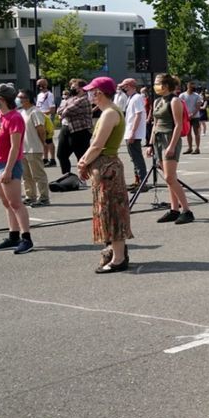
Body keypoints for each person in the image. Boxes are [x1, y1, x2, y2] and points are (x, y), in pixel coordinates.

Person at [77, 77, 133, 274]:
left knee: (112, 212)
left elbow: (98, 145)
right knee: (106, 210)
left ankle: (118, 258)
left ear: (100, 93)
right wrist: (85, 161)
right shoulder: (106, 112)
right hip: (103, 166)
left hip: (107, 167)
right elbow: (95, 145)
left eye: (92, 91)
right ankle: (116, 252)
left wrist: (83, 162)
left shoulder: (110, 113)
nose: (89, 94)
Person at [0, 84, 34, 254]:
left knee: (15, 203)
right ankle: (13, 236)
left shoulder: (15, 118)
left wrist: (7, 169)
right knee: (6, 203)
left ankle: (26, 238)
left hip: (8, 164)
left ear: (2, 98)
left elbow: (15, 147)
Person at [148, 73, 195, 225]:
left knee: (170, 177)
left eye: (157, 83)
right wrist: (150, 144)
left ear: (166, 85)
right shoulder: (156, 102)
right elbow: (155, 124)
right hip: (159, 140)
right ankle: (174, 210)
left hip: (170, 139)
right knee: (169, 179)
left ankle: (187, 210)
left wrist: (172, 145)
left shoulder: (175, 101)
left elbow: (178, 125)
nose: (155, 86)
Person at [16, 90, 50, 207]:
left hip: (34, 148)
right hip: (23, 148)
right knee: (26, 176)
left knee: (38, 175)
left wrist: (43, 143)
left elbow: (40, 129)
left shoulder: (35, 112)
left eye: (20, 97)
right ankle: (30, 196)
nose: (18, 99)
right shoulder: (21, 112)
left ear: (27, 98)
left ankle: (44, 197)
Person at [56, 78, 93, 178]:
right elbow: (59, 110)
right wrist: (64, 107)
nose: (71, 89)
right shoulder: (71, 98)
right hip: (67, 128)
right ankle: (67, 177)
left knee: (81, 157)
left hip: (80, 131)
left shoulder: (84, 100)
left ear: (81, 88)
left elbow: (66, 111)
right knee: (61, 155)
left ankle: (84, 178)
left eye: (73, 87)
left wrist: (64, 107)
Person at [119, 79, 148, 192]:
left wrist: (133, 132)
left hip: (133, 133)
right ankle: (138, 181)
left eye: (124, 86)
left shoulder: (137, 98)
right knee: (134, 158)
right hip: (130, 132)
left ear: (129, 86)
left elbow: (138, 115)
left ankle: (142, 182)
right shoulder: (131, 98)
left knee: (137, 158)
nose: (123, 88)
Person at [35, 78, 57, 167]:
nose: (38, 87)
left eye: (40, 84)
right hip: (39, 118)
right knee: (42, 140)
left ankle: (52, 159)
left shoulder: (49, 95)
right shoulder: (39, 95)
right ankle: (45, 159)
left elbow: (52, 110)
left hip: (46, 119)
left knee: (48, 140)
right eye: (37, 85)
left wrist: (41, 114)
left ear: (44, 85)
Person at [179, 82, 203, 155]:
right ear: (187, 86)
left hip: (195, 117)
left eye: (193, 87)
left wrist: (192, 114)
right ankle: (190, 148)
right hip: (186, 117)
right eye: (191, 86)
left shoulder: (197, 96)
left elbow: (198, 106)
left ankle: (197, 148)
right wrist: (185, 114)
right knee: (188, 133)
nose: (193, 88)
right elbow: (180, 105)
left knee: (196, 133)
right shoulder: (182, 95)